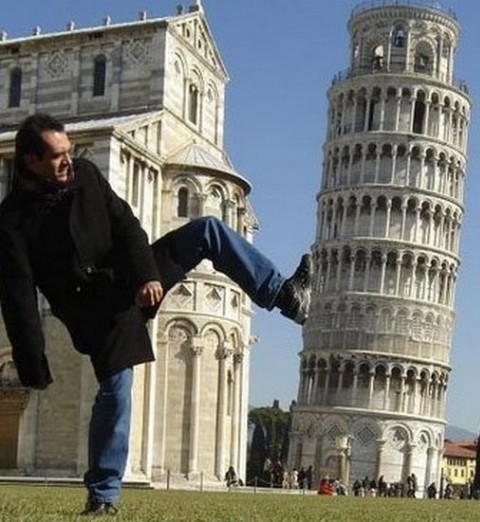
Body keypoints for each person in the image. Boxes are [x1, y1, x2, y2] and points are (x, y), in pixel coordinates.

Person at [0, 114, 313, 516]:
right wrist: (33, 363)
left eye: (67, 152)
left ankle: (288, 297)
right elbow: (17, 293)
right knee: (116, 392)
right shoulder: (11, 221)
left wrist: (147, 273)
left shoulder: (87, 175)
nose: (67, 161)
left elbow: (127, 225)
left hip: (130, 277)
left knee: (208, 231)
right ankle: (103, 496)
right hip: (95, 312)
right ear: (30, 160)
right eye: (57, 156)